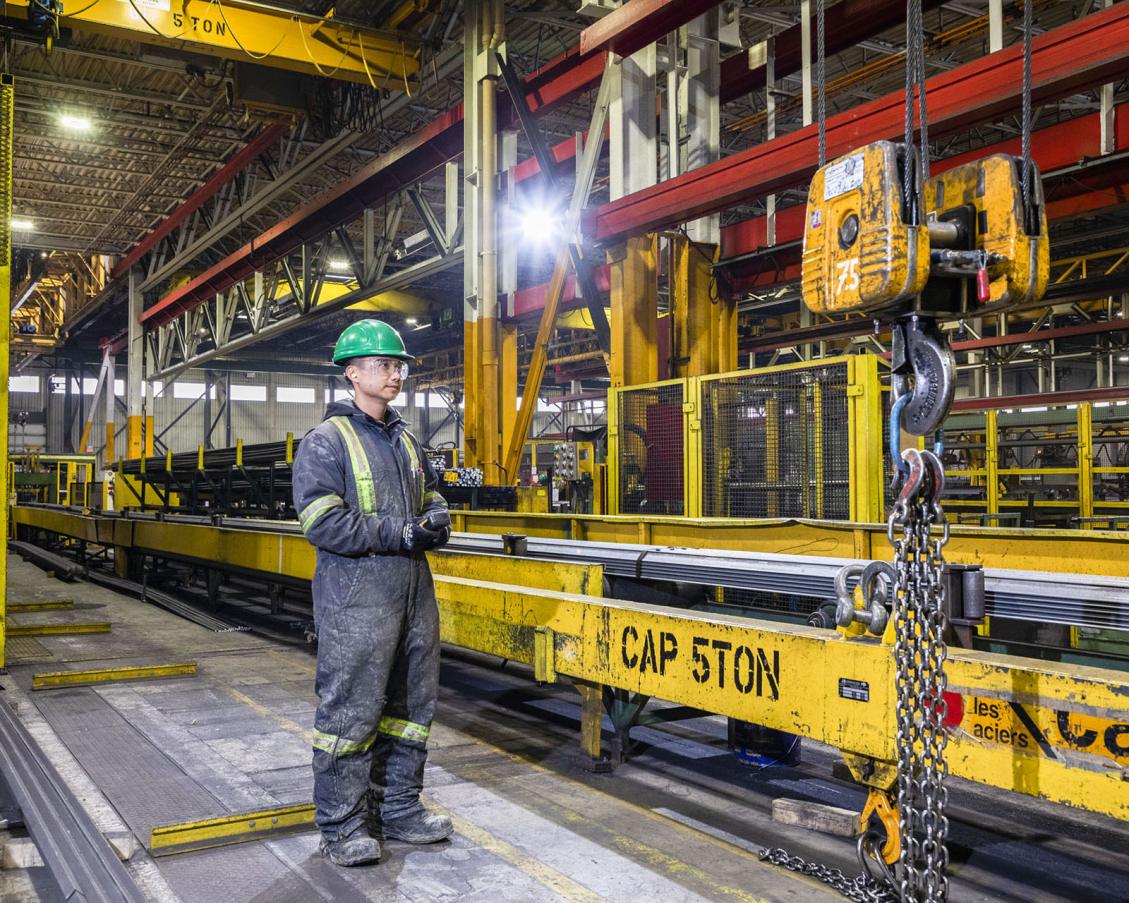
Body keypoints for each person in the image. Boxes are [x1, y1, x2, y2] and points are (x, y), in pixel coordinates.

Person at [292, 318, 453, 867]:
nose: (395, 373)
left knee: (411, 707)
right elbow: (323, 523)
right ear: (352, 374)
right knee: (350, 715)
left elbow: (432, 495)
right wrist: (400, 531)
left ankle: (400, 810)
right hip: (356, 600)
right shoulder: (324, 443)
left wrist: (435, 519)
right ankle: (340, 827)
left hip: (412, 594)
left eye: (399, 364)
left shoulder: (407, 439)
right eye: (383, 365)